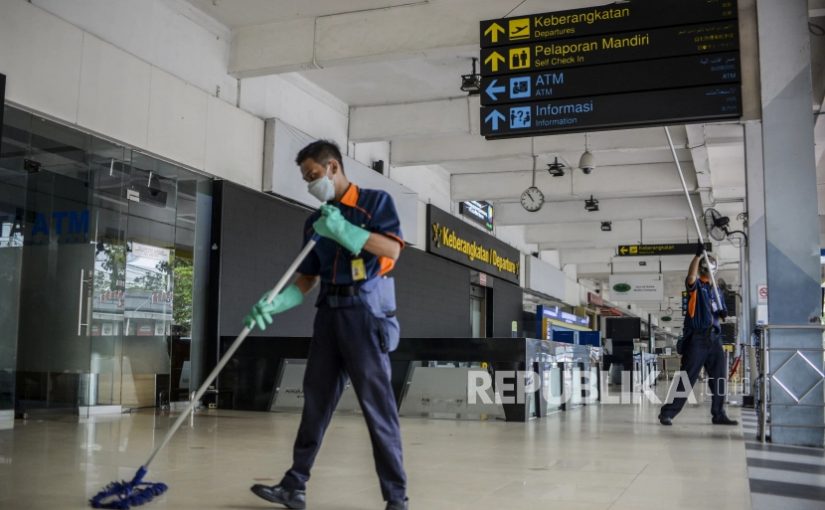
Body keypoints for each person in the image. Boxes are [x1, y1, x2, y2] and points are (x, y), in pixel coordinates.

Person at [246, 140, 408, 509]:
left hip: (365, 313)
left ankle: (396, 499)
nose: (310, 183)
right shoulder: (314, 221)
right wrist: (275, 302)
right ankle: (294, 485)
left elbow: (393, 250)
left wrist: (348, 233)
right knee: (315, 402)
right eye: (305, 178)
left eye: (314, 175)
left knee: (377, 408)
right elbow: (306, 279)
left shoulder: (375, 203)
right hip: (328, 315)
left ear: (333, 167)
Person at [658, 244, 738, 426]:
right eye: (707, 266)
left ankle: (719, 414)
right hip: (697, 338)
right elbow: (691, 277)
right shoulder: (697, 288)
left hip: (715, 339)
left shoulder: (717, 291)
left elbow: (720, 312)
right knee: (687, 377)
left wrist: (724, 314)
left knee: (719, 377)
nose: (709, 270)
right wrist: (696, 256)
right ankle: (667, 413)